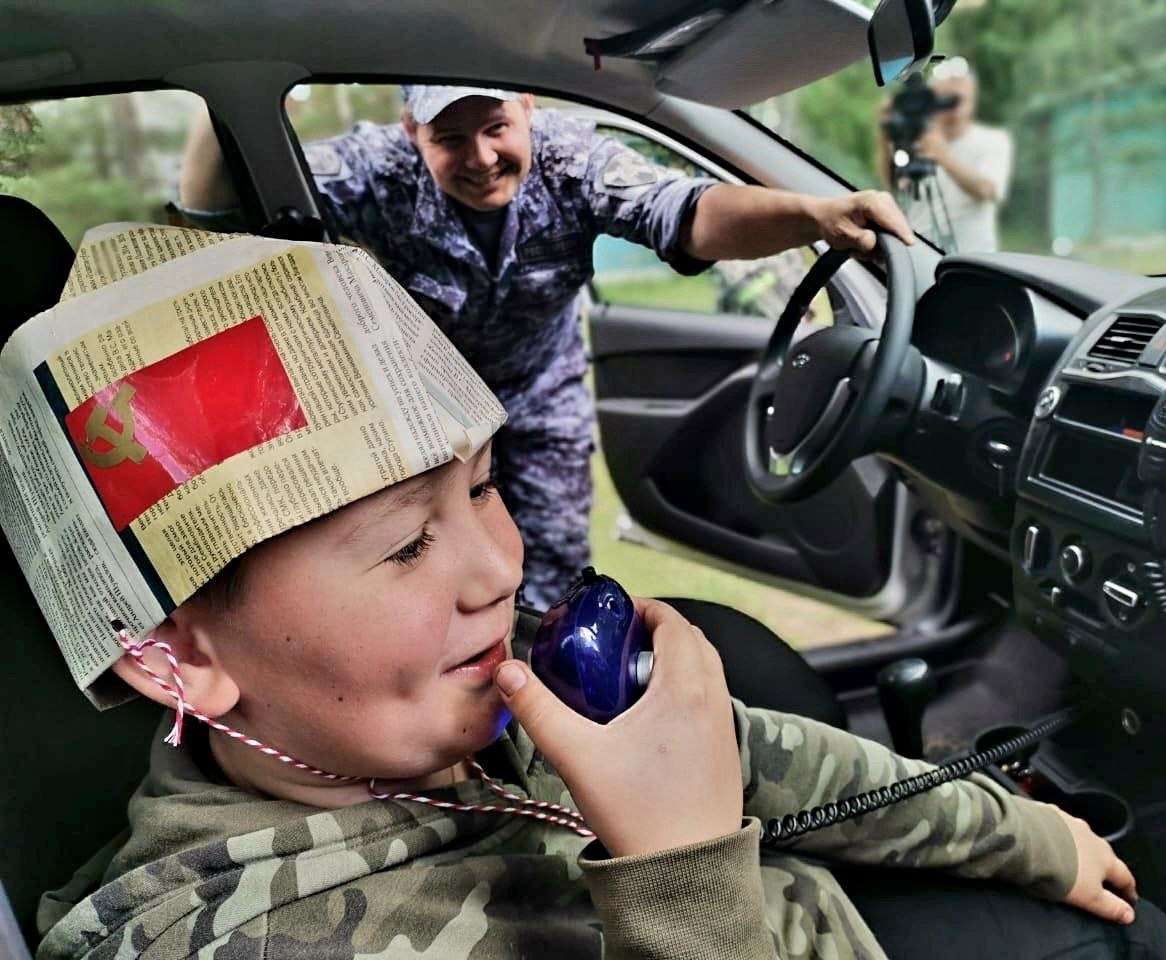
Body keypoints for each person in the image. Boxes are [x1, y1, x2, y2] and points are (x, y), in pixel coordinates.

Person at [18, 237, 1164, 960]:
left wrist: (1016, 834)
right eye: (409, 545)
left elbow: (767, 752)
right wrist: (683, 880)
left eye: (482, 488)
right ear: (173, 658)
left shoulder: (467, 700)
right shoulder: (242, 938)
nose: (498, 569)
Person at [179, 85, 917, 608]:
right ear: (411, 134)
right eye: (449, 137)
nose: (481, 157)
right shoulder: (378, 170)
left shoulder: (572, 161)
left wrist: (815, 214)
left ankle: (548, 727)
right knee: (415, 584)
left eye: (496, 126)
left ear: (528, 109)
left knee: (555, 577)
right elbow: (216, 214)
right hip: (418, 413)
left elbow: (691, 214)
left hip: (540, 396)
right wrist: (225, 83)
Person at [881, 57, 1014, 253]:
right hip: (921, 255)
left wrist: (941, 154)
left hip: (973, 259)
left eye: (958, 100)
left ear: (973, 99)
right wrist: (886, 134)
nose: (954, 110)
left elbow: (987, 190)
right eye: (947, 100)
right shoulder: (918, 138)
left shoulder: (993, 140)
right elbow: (893, 183)